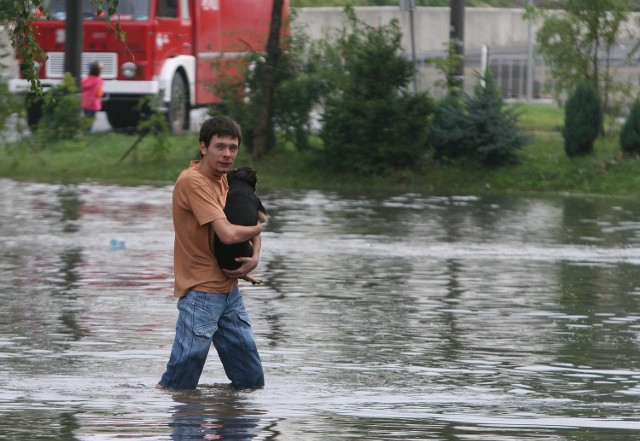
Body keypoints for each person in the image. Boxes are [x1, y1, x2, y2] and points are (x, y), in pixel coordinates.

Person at [157, 115, 264, 390]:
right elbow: (229, 233)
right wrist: (261, 227)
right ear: (203, 147)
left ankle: (225, 417)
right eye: (220, 147)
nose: (227, 154)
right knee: (179, 384)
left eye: (233, 147)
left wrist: (255, 257)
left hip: (229, 292)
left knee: (250, 381)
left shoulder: (226, 180)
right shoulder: (194, 182)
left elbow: (253, 220)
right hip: (201, 293)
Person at [80, 61, 104, 130]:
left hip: (84, 102)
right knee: (90, 121)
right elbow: (98, 93)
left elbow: (81, 88)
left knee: (86, 118)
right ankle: (86, 135)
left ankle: (83, 132)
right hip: (93, 103)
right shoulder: (99, 80)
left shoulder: (85, 79)